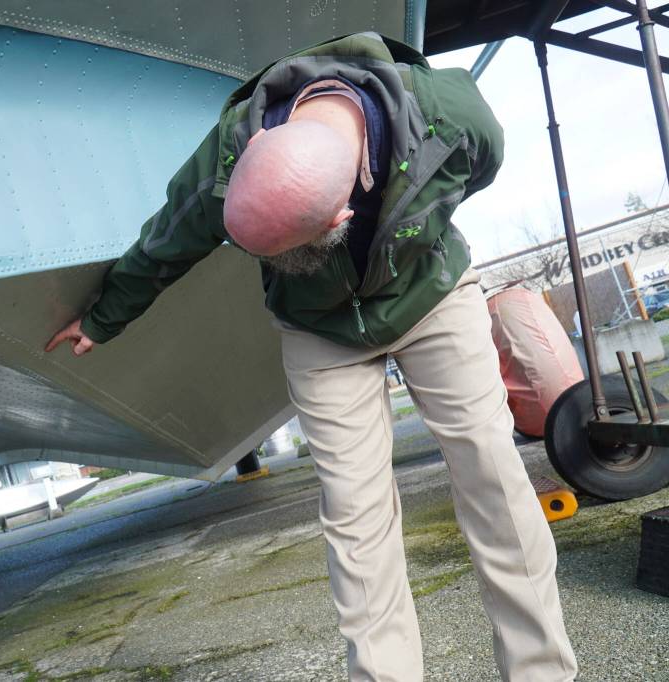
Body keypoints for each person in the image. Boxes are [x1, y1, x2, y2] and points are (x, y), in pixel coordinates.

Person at [45, 32, 578, 682]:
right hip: (318, 325)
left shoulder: (451, 112)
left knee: (491, 474)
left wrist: (418, 227)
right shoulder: (230, 151)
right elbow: (167, 242)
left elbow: (482, 165)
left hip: (431, 292)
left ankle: (541, 671)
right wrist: (102, 319)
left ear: (338, 217)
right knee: (356, 518)